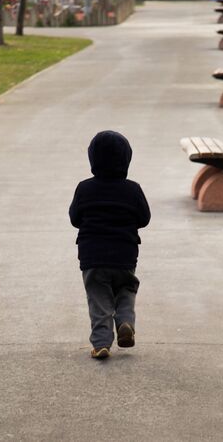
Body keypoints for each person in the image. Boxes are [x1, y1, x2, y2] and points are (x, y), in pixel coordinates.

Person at [69, 130, 151, 359]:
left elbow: (75, 218)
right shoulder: (133, 189)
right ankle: (125, 321)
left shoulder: (84, 188)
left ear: (92, 159)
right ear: (126, 159)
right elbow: (144, 218)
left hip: (92, 256)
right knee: (126, 289)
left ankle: (101, 343)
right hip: (124, 254)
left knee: (99, 299)